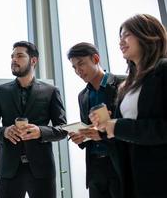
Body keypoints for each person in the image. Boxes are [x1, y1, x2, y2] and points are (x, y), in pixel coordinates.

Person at [89, 14, 167, 198]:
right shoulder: (128, 84)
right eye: (120, 37)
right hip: (131, 175)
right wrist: (105, 127)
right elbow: (126, 133)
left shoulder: (163, 70)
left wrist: (118, 126)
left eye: (127, 35)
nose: (121, 41)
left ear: (147, 35)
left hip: (159, 175)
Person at [0, 41, 67, 198]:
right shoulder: (0, 91)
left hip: (42, 169)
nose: (14, 59)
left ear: (33, 60)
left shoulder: (51, 92)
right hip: (9, 169)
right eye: (12, 56)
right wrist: (4, 132)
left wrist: (40, 132)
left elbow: (63, 129)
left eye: (20, 56)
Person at [67, 42, 124, 198]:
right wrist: (81, 137)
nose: (78, 71)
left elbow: (131, 126)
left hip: (119, 163)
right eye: (74, 68)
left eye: (81, 64)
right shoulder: (82, 96)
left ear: (96, 58)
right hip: (95, 168)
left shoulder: (123, 83)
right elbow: (88, 128)